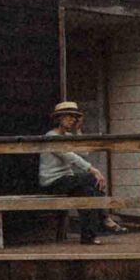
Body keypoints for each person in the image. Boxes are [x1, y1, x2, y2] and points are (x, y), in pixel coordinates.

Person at [39, 100, 108, 245]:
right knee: (90, 178)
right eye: (68, 116)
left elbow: (84, 152)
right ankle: (104, 217)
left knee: (88, 193)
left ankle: (88, 237)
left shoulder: (69, 136)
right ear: (59, 118)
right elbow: (70, 156)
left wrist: (78, 130)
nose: (72, 119)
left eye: (74, 117)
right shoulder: (51, 136)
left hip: (67, 180)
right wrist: (93, 170)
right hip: (53, 181)